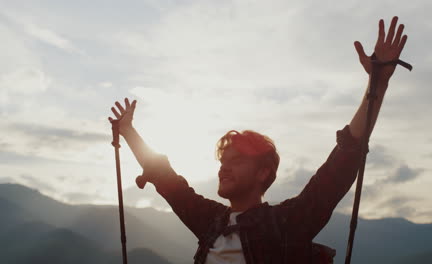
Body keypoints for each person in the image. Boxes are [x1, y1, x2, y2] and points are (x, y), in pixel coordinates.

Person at [108, 16, 408, 264]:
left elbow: (341, 163)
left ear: (263, 172)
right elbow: (166, 179)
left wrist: (377, 83)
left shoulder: (288, 223)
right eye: (222, 161)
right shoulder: (211, 222)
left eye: (235, 161)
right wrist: (128, 132)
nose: (223, 168)